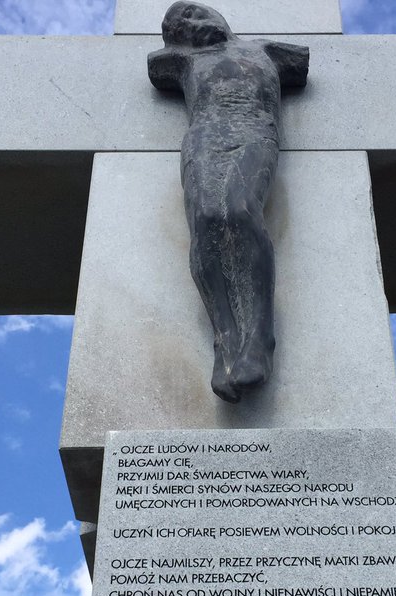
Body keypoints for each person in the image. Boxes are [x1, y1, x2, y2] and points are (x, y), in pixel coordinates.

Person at [148, 2, 309, 403]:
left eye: (196, 13)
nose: (195, 25)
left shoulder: (269, 51)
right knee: (205, 219)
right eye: (181, 26)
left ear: (218, 15)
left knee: (237, 210)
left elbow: (301, 64)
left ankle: (259, 339)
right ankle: (225, 339)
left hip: (253, 130)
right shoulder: (178, 61)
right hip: (204, 137)